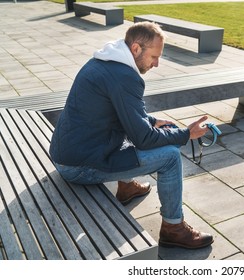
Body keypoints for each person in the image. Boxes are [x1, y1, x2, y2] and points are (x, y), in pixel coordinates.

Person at [49, 22, 213, 249]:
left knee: (136, 131)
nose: (157, 63)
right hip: (78, 166)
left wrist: (154, 122)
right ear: (136, 49)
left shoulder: (105, 60)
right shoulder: (125, 77)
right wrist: (186, 133)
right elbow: (143, 139)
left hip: (67, 153)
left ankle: (127, 188)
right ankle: (173, 229)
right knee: (171, 157)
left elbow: (122, 113)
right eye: (154, 56)